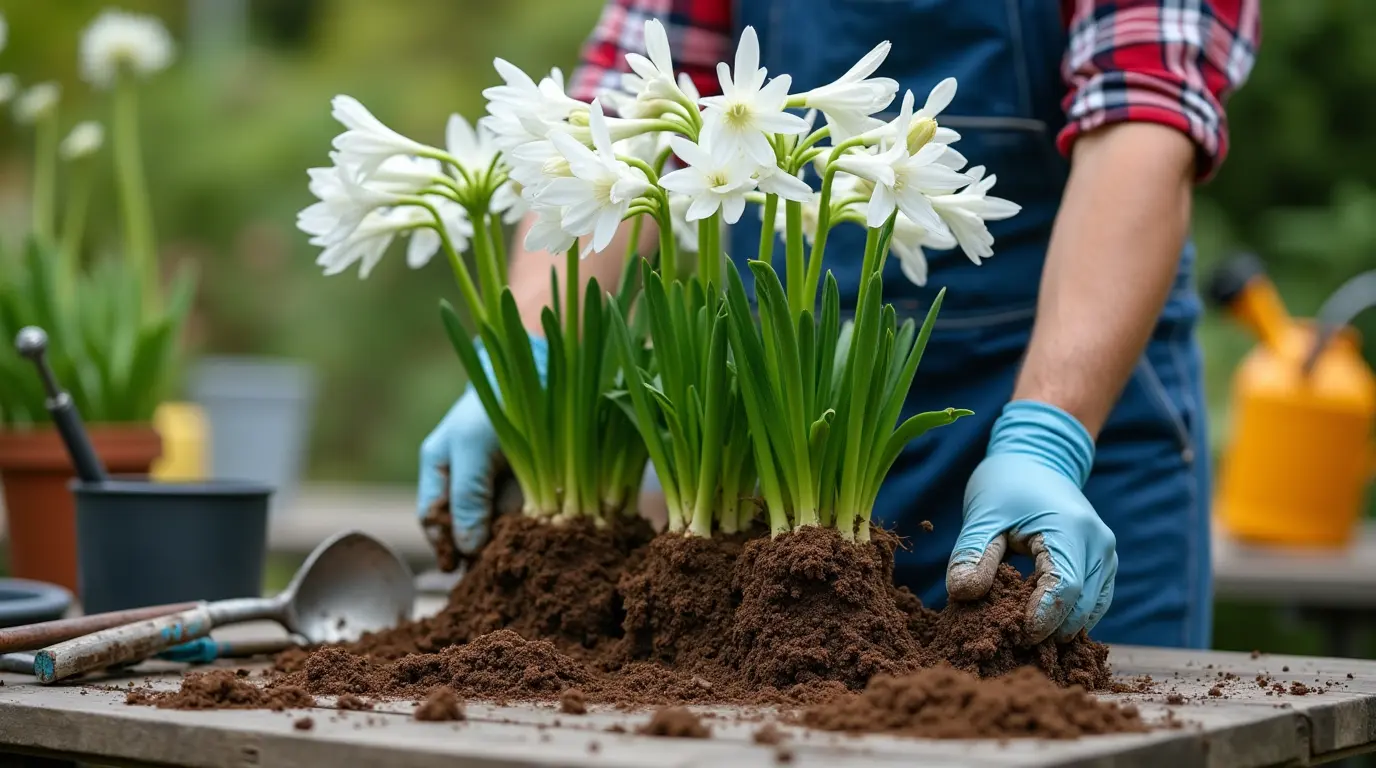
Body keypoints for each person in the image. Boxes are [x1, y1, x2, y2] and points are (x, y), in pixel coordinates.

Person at [419, 0, 1260, 649]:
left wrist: (1048, 437)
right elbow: (620, 113)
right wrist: (530, 357)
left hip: (1083, 428)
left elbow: (1145, 122)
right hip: (785, 436)